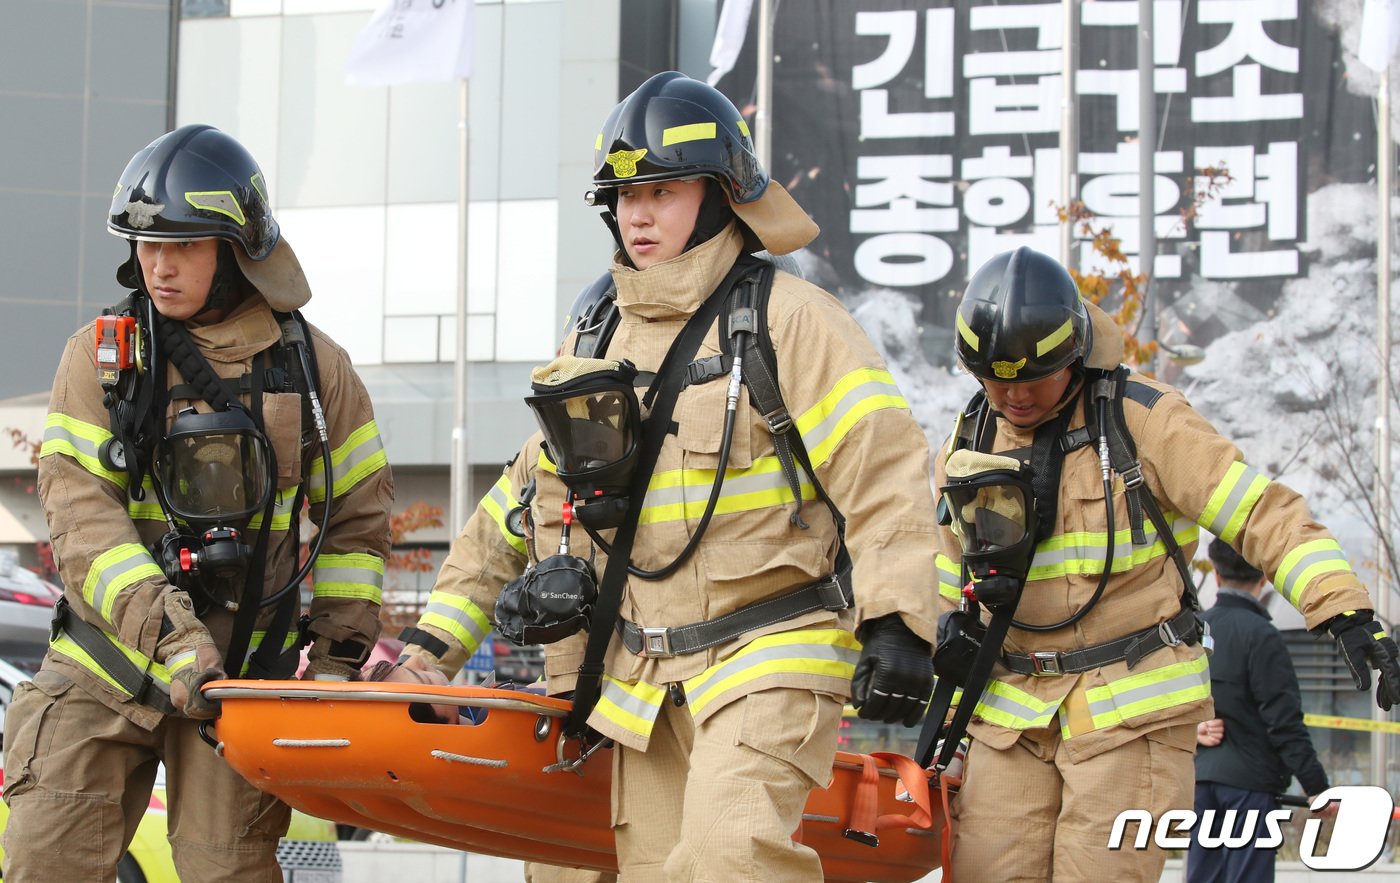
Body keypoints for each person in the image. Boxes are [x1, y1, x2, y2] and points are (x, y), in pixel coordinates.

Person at [394, 71, 940, 881]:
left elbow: (885, 473)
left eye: (663, 190)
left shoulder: (793, 322)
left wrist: (901, 622)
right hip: (640, 686)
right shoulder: (593, 342)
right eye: (621, 194)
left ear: (723, 194)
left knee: (730, 857)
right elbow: (519, 506)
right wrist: (428, 647)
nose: (636, 213)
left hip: (772, 654)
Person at [933, 246, 1400, 882]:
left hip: (1129, 714)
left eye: (1030, 378)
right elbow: (946, 584)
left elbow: (1261, 513)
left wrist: (1343, 608)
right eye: (994, 379)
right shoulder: (968, 443)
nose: (1012, 395)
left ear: (1070, 355)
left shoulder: (1142, 420)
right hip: (1010, 720)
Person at [1, 125, 393, 882]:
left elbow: (357, 524)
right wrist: (172, 635)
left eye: (182, 244)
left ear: (239, 247)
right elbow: (82, 517)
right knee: (46, 858)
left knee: (230, 870)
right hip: (105, 660)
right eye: (146, 244)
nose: (158, 265)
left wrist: (337, 660)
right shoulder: (101, 357)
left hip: (243, 675)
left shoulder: (317, 371)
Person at [1186, 538, 1333, 883]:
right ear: (1265, 577)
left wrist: (1192, 731)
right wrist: (1317, 788)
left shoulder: (1191, 632)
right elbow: (1284, 723)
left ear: (1217, 578)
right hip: (1250, 787)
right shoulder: (1263, 636)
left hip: (1200, 782)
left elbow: (1167, 704)